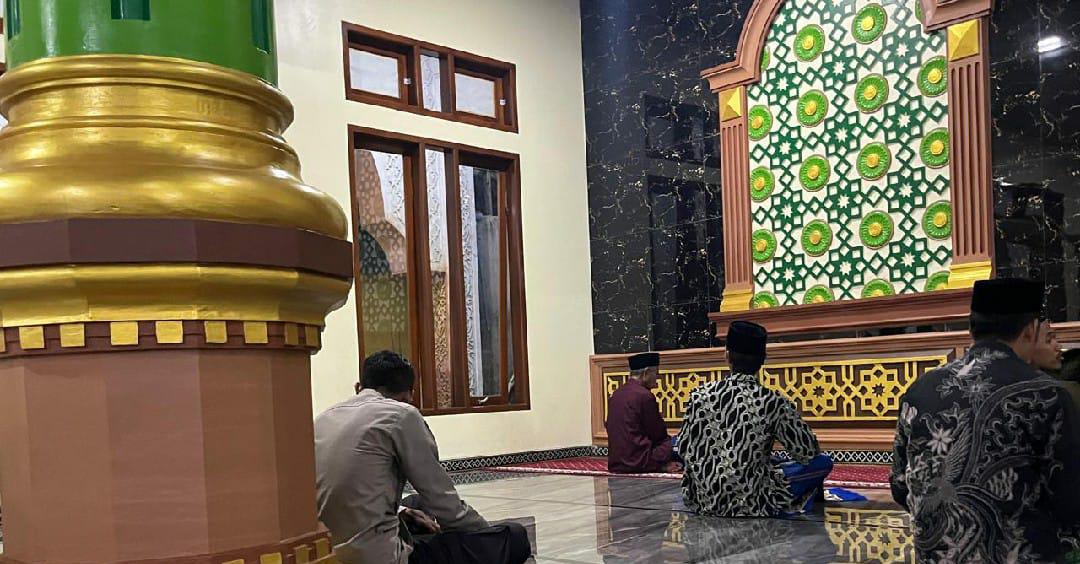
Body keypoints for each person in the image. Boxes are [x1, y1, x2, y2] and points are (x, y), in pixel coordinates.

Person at [890, 278, 1080, 562]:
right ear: (1030, 330)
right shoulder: (1048, 395)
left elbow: (899, 485)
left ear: (971, 328)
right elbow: (1071, 501)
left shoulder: (920, 389)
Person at [315, 351, 531, 564]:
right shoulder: (401, 415)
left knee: (416, 504)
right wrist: (485, 534)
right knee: (515, 536)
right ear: (407, 397)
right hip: (380, 557)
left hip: (329, 552)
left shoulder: (323, 419)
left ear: (358, 388)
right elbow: (445, 503)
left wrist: (402, 512)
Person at [678, 321, 832, 516]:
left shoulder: (698, 395)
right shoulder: (773, 401)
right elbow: (808, 452)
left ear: (727, 356)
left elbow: (683, 448)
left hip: (704, 501)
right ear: (762, 361)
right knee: (823, 462)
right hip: (754, 503)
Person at [606, 352, 681, 474]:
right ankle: (659, 466)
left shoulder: (616, 394)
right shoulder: (644, 396)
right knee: (682, 441)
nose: (657, 378)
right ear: (646, 373)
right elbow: (658, 434)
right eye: (656, 373)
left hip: (617, 462)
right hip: (640, 461)